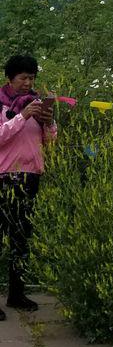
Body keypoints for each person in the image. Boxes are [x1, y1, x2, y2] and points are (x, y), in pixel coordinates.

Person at [0, 53, 57, 318]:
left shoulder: (35, 105)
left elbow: (50, 143)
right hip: (5, 177)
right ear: (10, 78)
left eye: (32, 77)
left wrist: (48, 122)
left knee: (21, 238)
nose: (28, 82)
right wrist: (22, 116)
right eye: (23, 77)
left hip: (30, 177)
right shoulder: (3, 105)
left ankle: (16, 293)